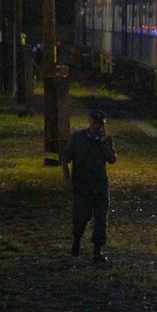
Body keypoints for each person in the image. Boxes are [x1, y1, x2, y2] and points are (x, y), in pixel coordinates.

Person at [60, 110, 117, 264]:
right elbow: (65, 158)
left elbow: (112, 159)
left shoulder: (106, 140)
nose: (96, 126)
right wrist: (67, 180)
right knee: (81, 218)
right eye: (94, 123)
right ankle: (77, 240)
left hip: (100, 186)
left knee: (100, 219)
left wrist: (104, 144)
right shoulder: (78, 138)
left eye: (99, 124)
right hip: (82, 185)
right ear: (89, 122)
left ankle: (97, 251)